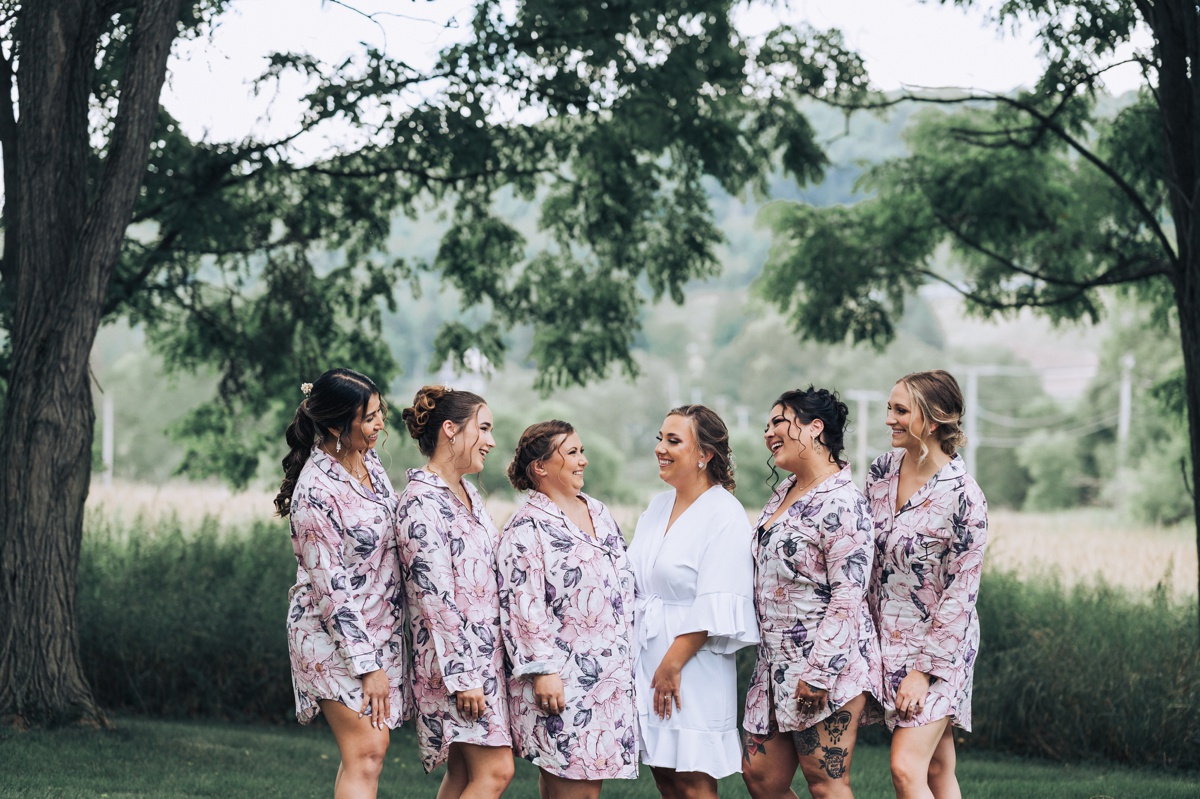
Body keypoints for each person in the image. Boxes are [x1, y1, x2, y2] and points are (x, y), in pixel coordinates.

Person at [741, 388, 880, 799]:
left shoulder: (843, 503)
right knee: (761, 778)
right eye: (767, 426)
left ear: (815, 428)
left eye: (779, 422)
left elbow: (848, 596)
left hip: (822, 665)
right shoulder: (785, 492)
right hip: (773, 663)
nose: (768, 433)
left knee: (826, 784)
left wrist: (820, 674)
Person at [277, 368, 408, 799]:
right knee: (368, 748)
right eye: (369, 418)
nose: (380, 425)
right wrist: (368, 667)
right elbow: (331, 593)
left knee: (367, 752)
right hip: (331, 634)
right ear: (336, 425)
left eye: (379, 413)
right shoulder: (315, 492)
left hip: (375, 628)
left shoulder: (366, 462)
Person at [496, 420, 639, 799]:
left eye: (582, 451)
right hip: (563, 681)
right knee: (578, 790)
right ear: (540, 467)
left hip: (608, 677)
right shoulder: (526, 529)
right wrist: (543, 671)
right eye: (573, 453)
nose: (584, 461)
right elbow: (523, 606)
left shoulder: (599, 511)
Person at [626, 404, 759, 798]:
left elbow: (717, 598)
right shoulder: (657, 506)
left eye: (673, 440)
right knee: (665, 773)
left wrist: (672, 664)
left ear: (705, 455)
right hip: (649, 656)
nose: (660, 449)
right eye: (660, 439)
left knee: (692, 780)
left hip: (690, 665)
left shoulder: (725, 514)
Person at [866, 370, 988, 799]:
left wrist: (923, 671)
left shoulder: (965, 498)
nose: (889, 419)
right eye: (890, 408)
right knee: (937, 769)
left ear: (934, 420)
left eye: (901, 410)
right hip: (889, 640)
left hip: (940, 650)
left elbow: (961, 594)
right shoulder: (881, 471)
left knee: (905, 766)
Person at [395, 386, 514, 798]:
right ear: (450, 430)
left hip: (484, 660)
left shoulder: (469, 494)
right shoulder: (420, 503)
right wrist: (464, 677)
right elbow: (436, 599)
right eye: (482, 428)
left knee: (464, 775)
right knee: (496, 771)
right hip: (454, 667)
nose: (492, 440)